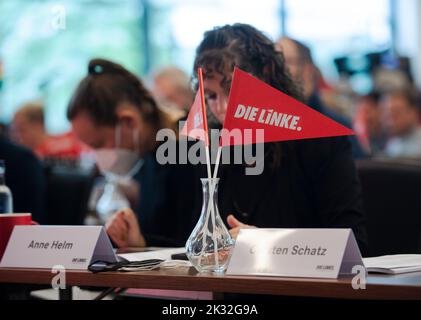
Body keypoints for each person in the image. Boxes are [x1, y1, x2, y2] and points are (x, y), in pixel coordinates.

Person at [105, 24, 368, 255]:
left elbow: (352, 245)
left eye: (233, 89)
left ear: (266, 75)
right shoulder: (208, 148)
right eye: (211, 96)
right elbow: (193, 243)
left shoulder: (321, 142)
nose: (224, 108)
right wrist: (141, 242)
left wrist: (266, 243)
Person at [67, 58, 197, 247]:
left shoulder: (189, 150)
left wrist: (142, 242)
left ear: (129, 121)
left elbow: (194, 246)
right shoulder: (147, 158)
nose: (99, 157)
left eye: (100, 144)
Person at [275, 37, 367, 159]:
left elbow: (361, 171)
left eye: (286, 61)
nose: (276, 68)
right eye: (273, 61)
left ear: (307, 70)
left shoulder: (336, 126)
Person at [11, 102, 87, 161]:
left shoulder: (61, 148)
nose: (17, 136)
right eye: (15, 131)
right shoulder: (30, 154)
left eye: (21, 130)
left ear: (38, 125)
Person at [382, 90, 421, 159]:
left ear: (413, 113)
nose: (390, 121)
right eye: (388, 115)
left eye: (396, 113)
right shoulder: (393, 144)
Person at [354, 92, 388, 156]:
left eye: (367, 111)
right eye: (360, 112)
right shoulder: (360, 138)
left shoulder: (390, 137)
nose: (365, 117)